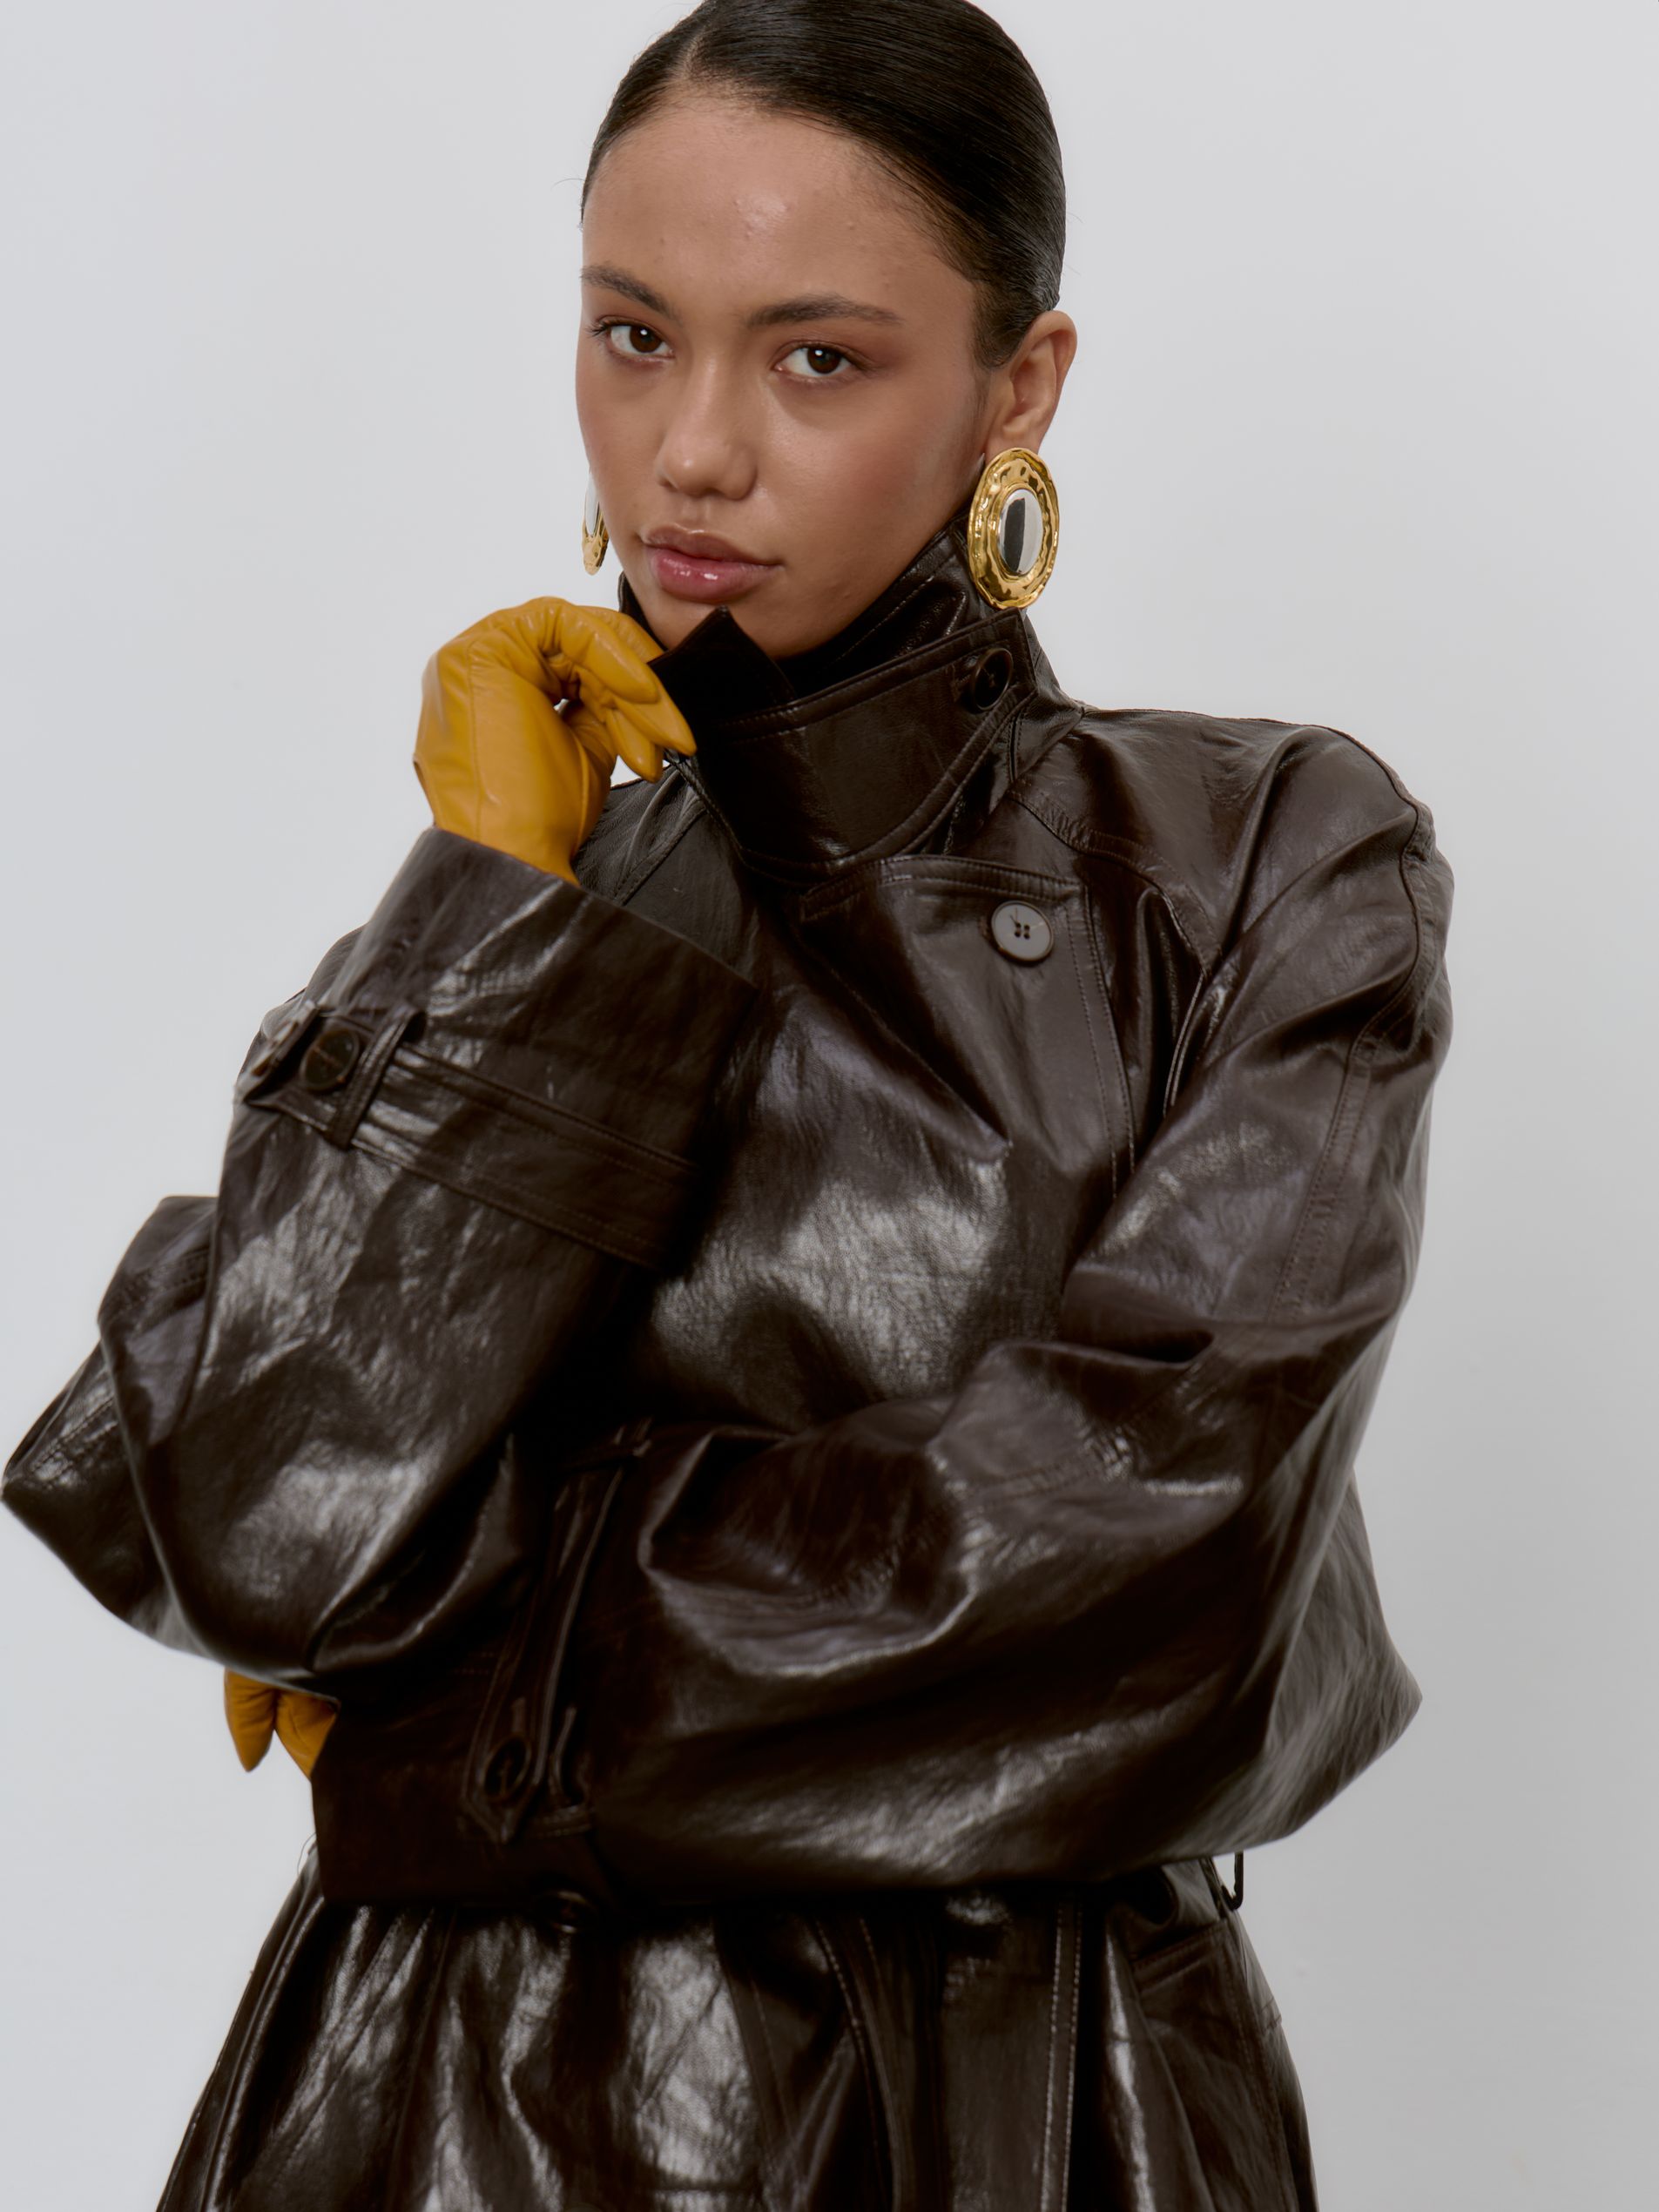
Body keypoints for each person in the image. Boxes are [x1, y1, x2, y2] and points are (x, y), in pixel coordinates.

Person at [2, 1, 1454, 2205]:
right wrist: (492, 897)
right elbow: (258, 1524)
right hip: (439, 2107)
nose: (688, 453)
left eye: (816, 360)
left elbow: (1159, 1558)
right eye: (630, 334)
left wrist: (447, 1680)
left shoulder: (1262, 861)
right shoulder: (527, 887)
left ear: (1018, 387)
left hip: (1021, 2096)